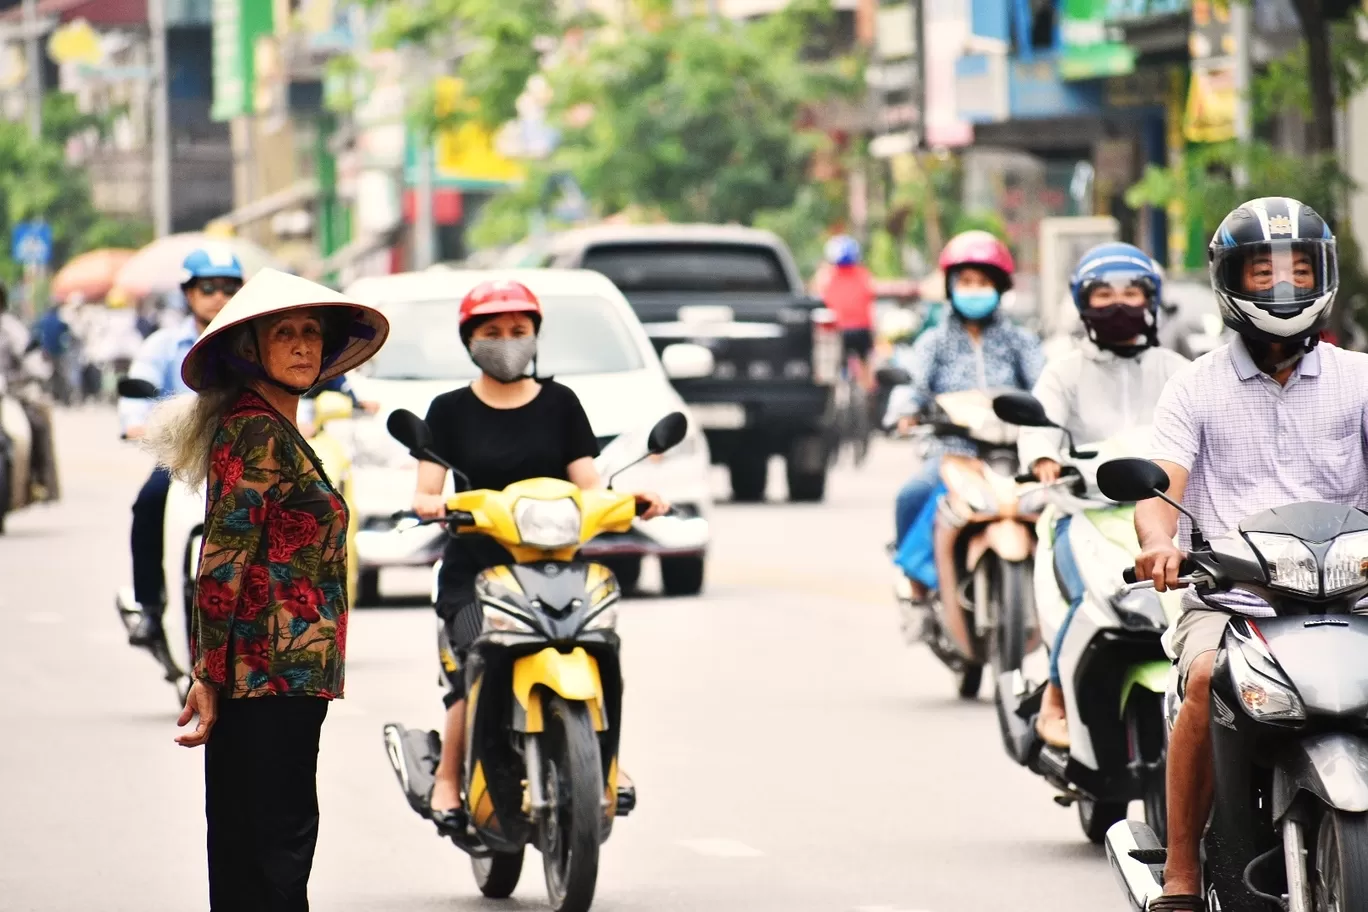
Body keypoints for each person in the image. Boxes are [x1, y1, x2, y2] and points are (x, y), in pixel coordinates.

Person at [1132, 197, 1368, 912]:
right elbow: (1158, 489)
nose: (1282, 284)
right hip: (1235, 600)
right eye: (1262, 270)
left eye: (1298, 267)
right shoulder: (1193, 387)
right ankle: (1179, 870)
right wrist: (1159, 545)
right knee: (1205, 676)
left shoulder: (1361, 379)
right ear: (1231, 280)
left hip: (1352, 597)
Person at [147, 267, 388, 912]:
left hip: (286, 676)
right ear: (252, 347)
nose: (304, 345)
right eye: (286, 333)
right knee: (274, 846)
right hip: (264, 677)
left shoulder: (278, 428)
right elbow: (221, 561)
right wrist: (206, 672)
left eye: (313, 332)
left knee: (261, 843)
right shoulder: (255, 431)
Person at [411, 279, 668, 828]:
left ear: (535, 337)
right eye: (493, 332)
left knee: (599, 646)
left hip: (556, 564)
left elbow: (590, 485)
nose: (507, 341)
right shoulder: (449, 410)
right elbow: (426, 490)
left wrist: (631, 501)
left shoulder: (561, 403)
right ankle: (449, 778)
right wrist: (432, 506)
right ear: (470, 340)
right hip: (476, 570)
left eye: (518, 331)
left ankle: (603, 759)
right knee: (470, 666)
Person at [1017, 242, 1189, 748]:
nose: (1119, 303)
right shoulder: (1063, 372)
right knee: (1084, 599)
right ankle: (1054, 691)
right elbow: (1040, 427)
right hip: (1083, 511)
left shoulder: (1176, 368)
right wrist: (1043, 458)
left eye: (1132, 291)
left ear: (1151, 300)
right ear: (1083, 302)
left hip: (1165, 511)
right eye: (1105, 293)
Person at [884, 231, 1044, 654]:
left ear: (1001, 288)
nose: (975, 290)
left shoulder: (1019, 341)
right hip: (953, 453)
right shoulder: (933, 341)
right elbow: (912, 386)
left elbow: (1047, 386)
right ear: (952, 287)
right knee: (912, 495)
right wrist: (904, 411)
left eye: (983, 281)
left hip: (1014, 455)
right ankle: (917, 590)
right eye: (966, 281)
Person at [121, 246, 244, 647]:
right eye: (208, 287)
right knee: (147, 503)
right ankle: (150, 610)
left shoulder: (254, 342)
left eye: (229, 287)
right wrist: (135, 423)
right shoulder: (164, 344)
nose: (218, 297)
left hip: (249, 456)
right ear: (188, 294)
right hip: (183, 459)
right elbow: (137, 390)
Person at [813, 234, 878, 389]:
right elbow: (871, 295)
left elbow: (818, 296)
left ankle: (833, 392)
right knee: (867, 367)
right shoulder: (863, 274)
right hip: (862, 330)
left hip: (839, 330)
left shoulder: (827, 276)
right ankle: (870, 396)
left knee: (830, 365)